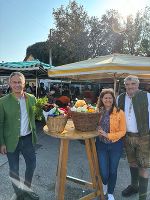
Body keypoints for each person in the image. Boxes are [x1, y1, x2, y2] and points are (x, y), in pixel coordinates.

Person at [0, 72, 39, 200]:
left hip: (28, 138)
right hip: (10, 140)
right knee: (14, 169)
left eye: (19, 82)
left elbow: (38, 115)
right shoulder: (3, 102)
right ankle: (19, 193)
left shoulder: (32, 98)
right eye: (14, 82)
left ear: (24, 83)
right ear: (10, 84)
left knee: (32, 165)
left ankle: (27, 189)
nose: (17, 85)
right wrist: (2, 143)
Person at [117, 75, 150, 200]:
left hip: (144, 137)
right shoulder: (120, 97)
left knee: (144, 166)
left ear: (138, 84)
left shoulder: (147, 96)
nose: (130, 87)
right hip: (127, 137)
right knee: (132, 163)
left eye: (133, 84)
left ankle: (142, 197)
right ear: (124, 85)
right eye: (127, 84)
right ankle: (134, 186)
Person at [96, 88, 126, 200]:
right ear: (102, 99)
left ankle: (110, 192)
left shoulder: (120, 112)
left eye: (110, 97)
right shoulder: (97, 111)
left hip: (115, 145)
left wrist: (107, 135)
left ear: (113, 99)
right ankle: (104, 184)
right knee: (103, 171)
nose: (108, 99)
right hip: (101, 145)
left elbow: (123, 131)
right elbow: (92, 124)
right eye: (105, 98)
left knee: (113, 170)